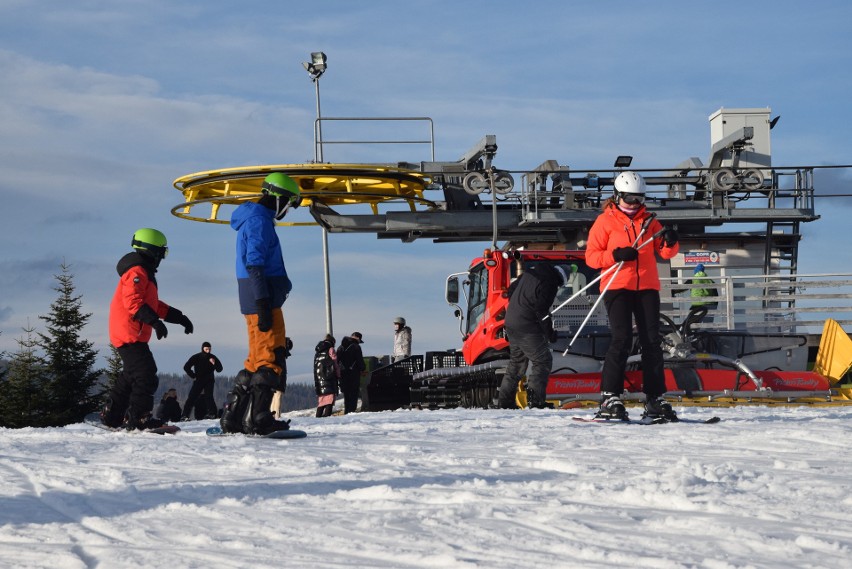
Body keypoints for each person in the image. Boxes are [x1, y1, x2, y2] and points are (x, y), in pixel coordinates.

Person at [585, 171, 680, 421]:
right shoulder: (605, 222)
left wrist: (671, 241)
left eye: (638, 199)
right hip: (617, 286)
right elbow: (591, 257)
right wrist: (615, 255)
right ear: (617, 196)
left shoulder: (649, 221)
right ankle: (610, 396)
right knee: (622, 339)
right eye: (629, 199)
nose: (634, 204)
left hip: (647, 286)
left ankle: (654, 398)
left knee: (652, 341)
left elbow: (666, 253)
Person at [220, 172, 300, 435]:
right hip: (262, 296)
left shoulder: (253, 218)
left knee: (255, 359)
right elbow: (254, 261)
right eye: (289, 203)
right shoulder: (259, 221)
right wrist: (264, 302)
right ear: (278, 198)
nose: (288, 210)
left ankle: (233, 417)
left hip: (255, 295)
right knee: (271, 355)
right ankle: (260, 418)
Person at [101, 228, 194, 430]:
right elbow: (133, 302)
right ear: (151, 251)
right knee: (146, 375)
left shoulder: (143, 272)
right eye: (162, 252)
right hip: (129, 332)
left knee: (131, 375)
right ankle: (139, 419)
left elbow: (153, 304)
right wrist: (155, 322)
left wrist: (179, 318)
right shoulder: (137, 272)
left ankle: (112, 416)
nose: (162, 258)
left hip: (130, 332)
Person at [497, 263, 572, 409]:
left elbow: (511, 289)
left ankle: (505, 402)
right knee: (542, 361)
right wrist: (550, 333)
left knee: (516, 363)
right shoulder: (550, 282)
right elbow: (541, 310)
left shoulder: (530, 272)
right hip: (526, 325)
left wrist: (519, 306)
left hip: (511, 322)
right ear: (561, 279)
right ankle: (536, 401)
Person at [181, 341, 223, 420]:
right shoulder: (197, 357)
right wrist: (193, 375)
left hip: (209, 380)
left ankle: (212, 414)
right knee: (192, 397)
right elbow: (186, 367)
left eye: (209, 349)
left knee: (209, 397)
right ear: (203, 348)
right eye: (206, 349)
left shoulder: (212, 357)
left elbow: (220, 369)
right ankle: (185, 415)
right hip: (199, 380)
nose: (208, 351)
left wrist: (214, 363)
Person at [338, 332, 366, 414]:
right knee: (354, 394)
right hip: (353, 374)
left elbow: (337, 360)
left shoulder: (341, 347)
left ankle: (346, 411)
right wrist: (363, 368)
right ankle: (351, 412)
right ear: (357, 338)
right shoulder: (356, 347)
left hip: (343, 374)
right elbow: (360, 361)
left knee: (346, 395)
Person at [314, 334, 340, 418]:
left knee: (321, 401)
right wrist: (338, 374)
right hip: (329, 378)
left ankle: (317, 418)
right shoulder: (330, 349)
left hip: (319, 379)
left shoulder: (317, 352)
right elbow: (335, 363)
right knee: (329, 401)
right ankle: (326, 419)